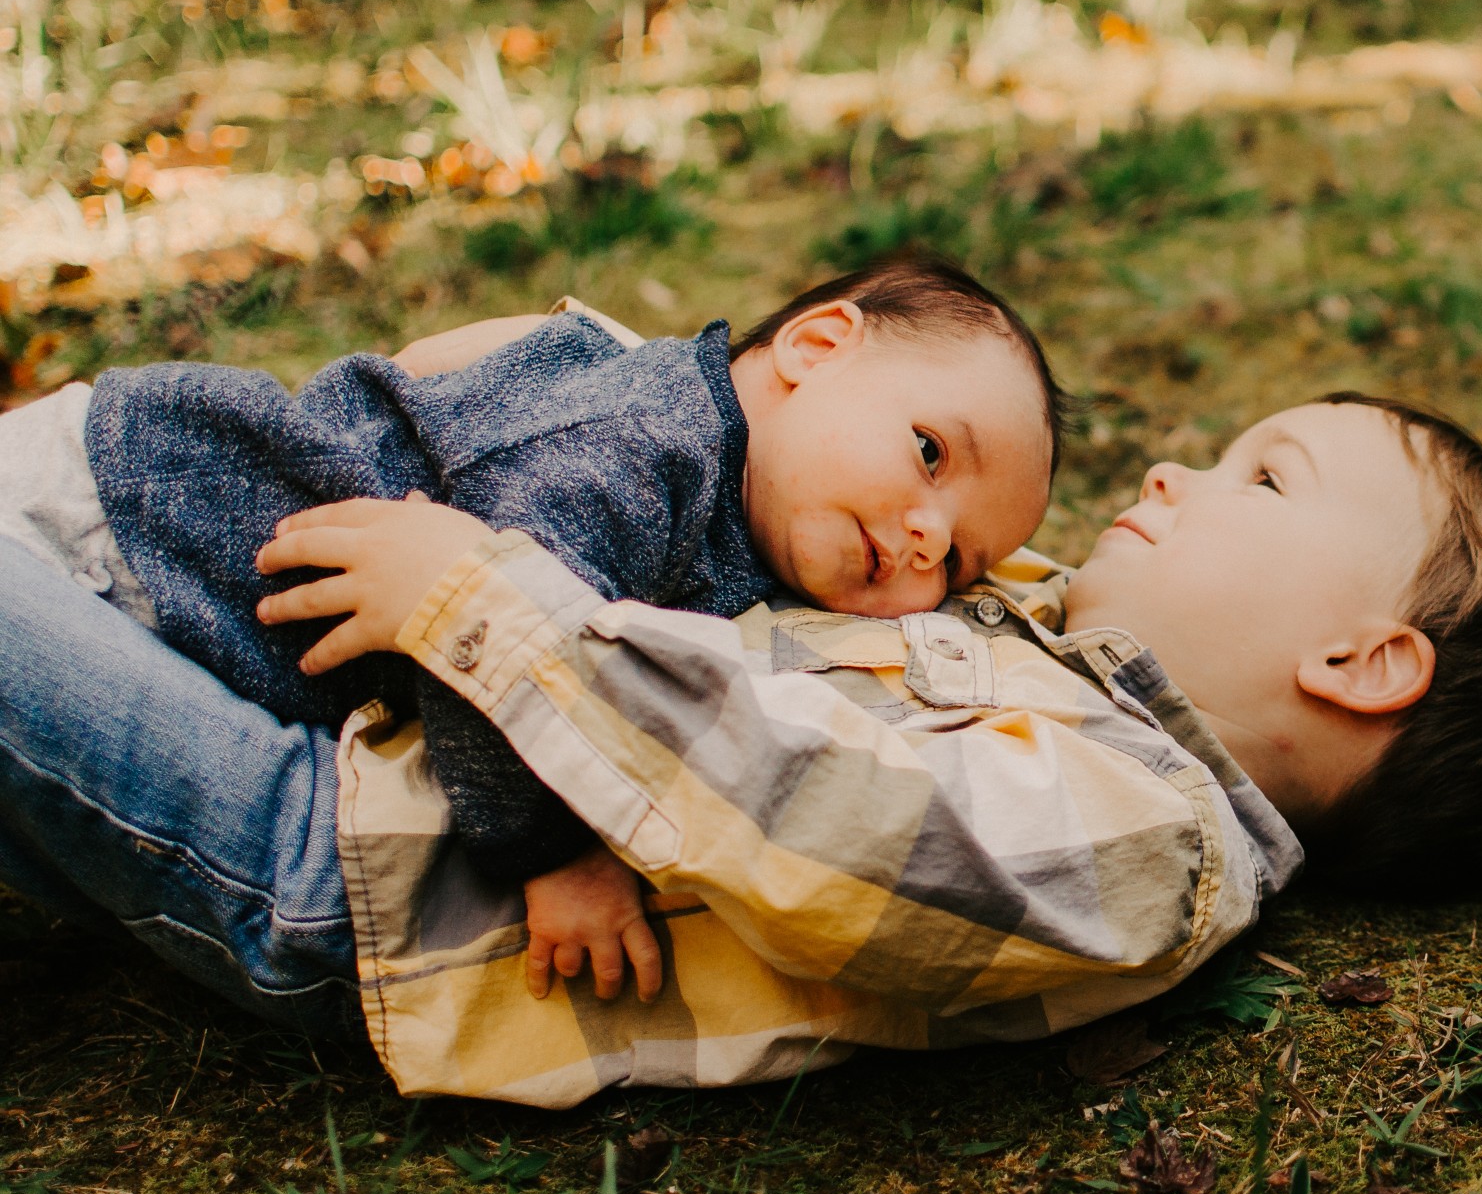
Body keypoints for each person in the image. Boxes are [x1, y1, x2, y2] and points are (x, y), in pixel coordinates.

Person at [0, 381, 1482, 1107]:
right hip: (371, 748)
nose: (1175, 475)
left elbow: (835, 823)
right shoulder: (1051, 655)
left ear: (1361, 662)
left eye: (1261, 479)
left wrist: (491, 606)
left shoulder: (1140, 850)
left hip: (349, 877)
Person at [0, 256, 1062, 1005]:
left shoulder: (736, 495)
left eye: (962, 559)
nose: (927, 537)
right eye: (930, 453)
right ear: (817, 347)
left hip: (159, 571)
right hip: (130, 527)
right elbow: (484, 624)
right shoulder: (648, 447)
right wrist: (551, 854)